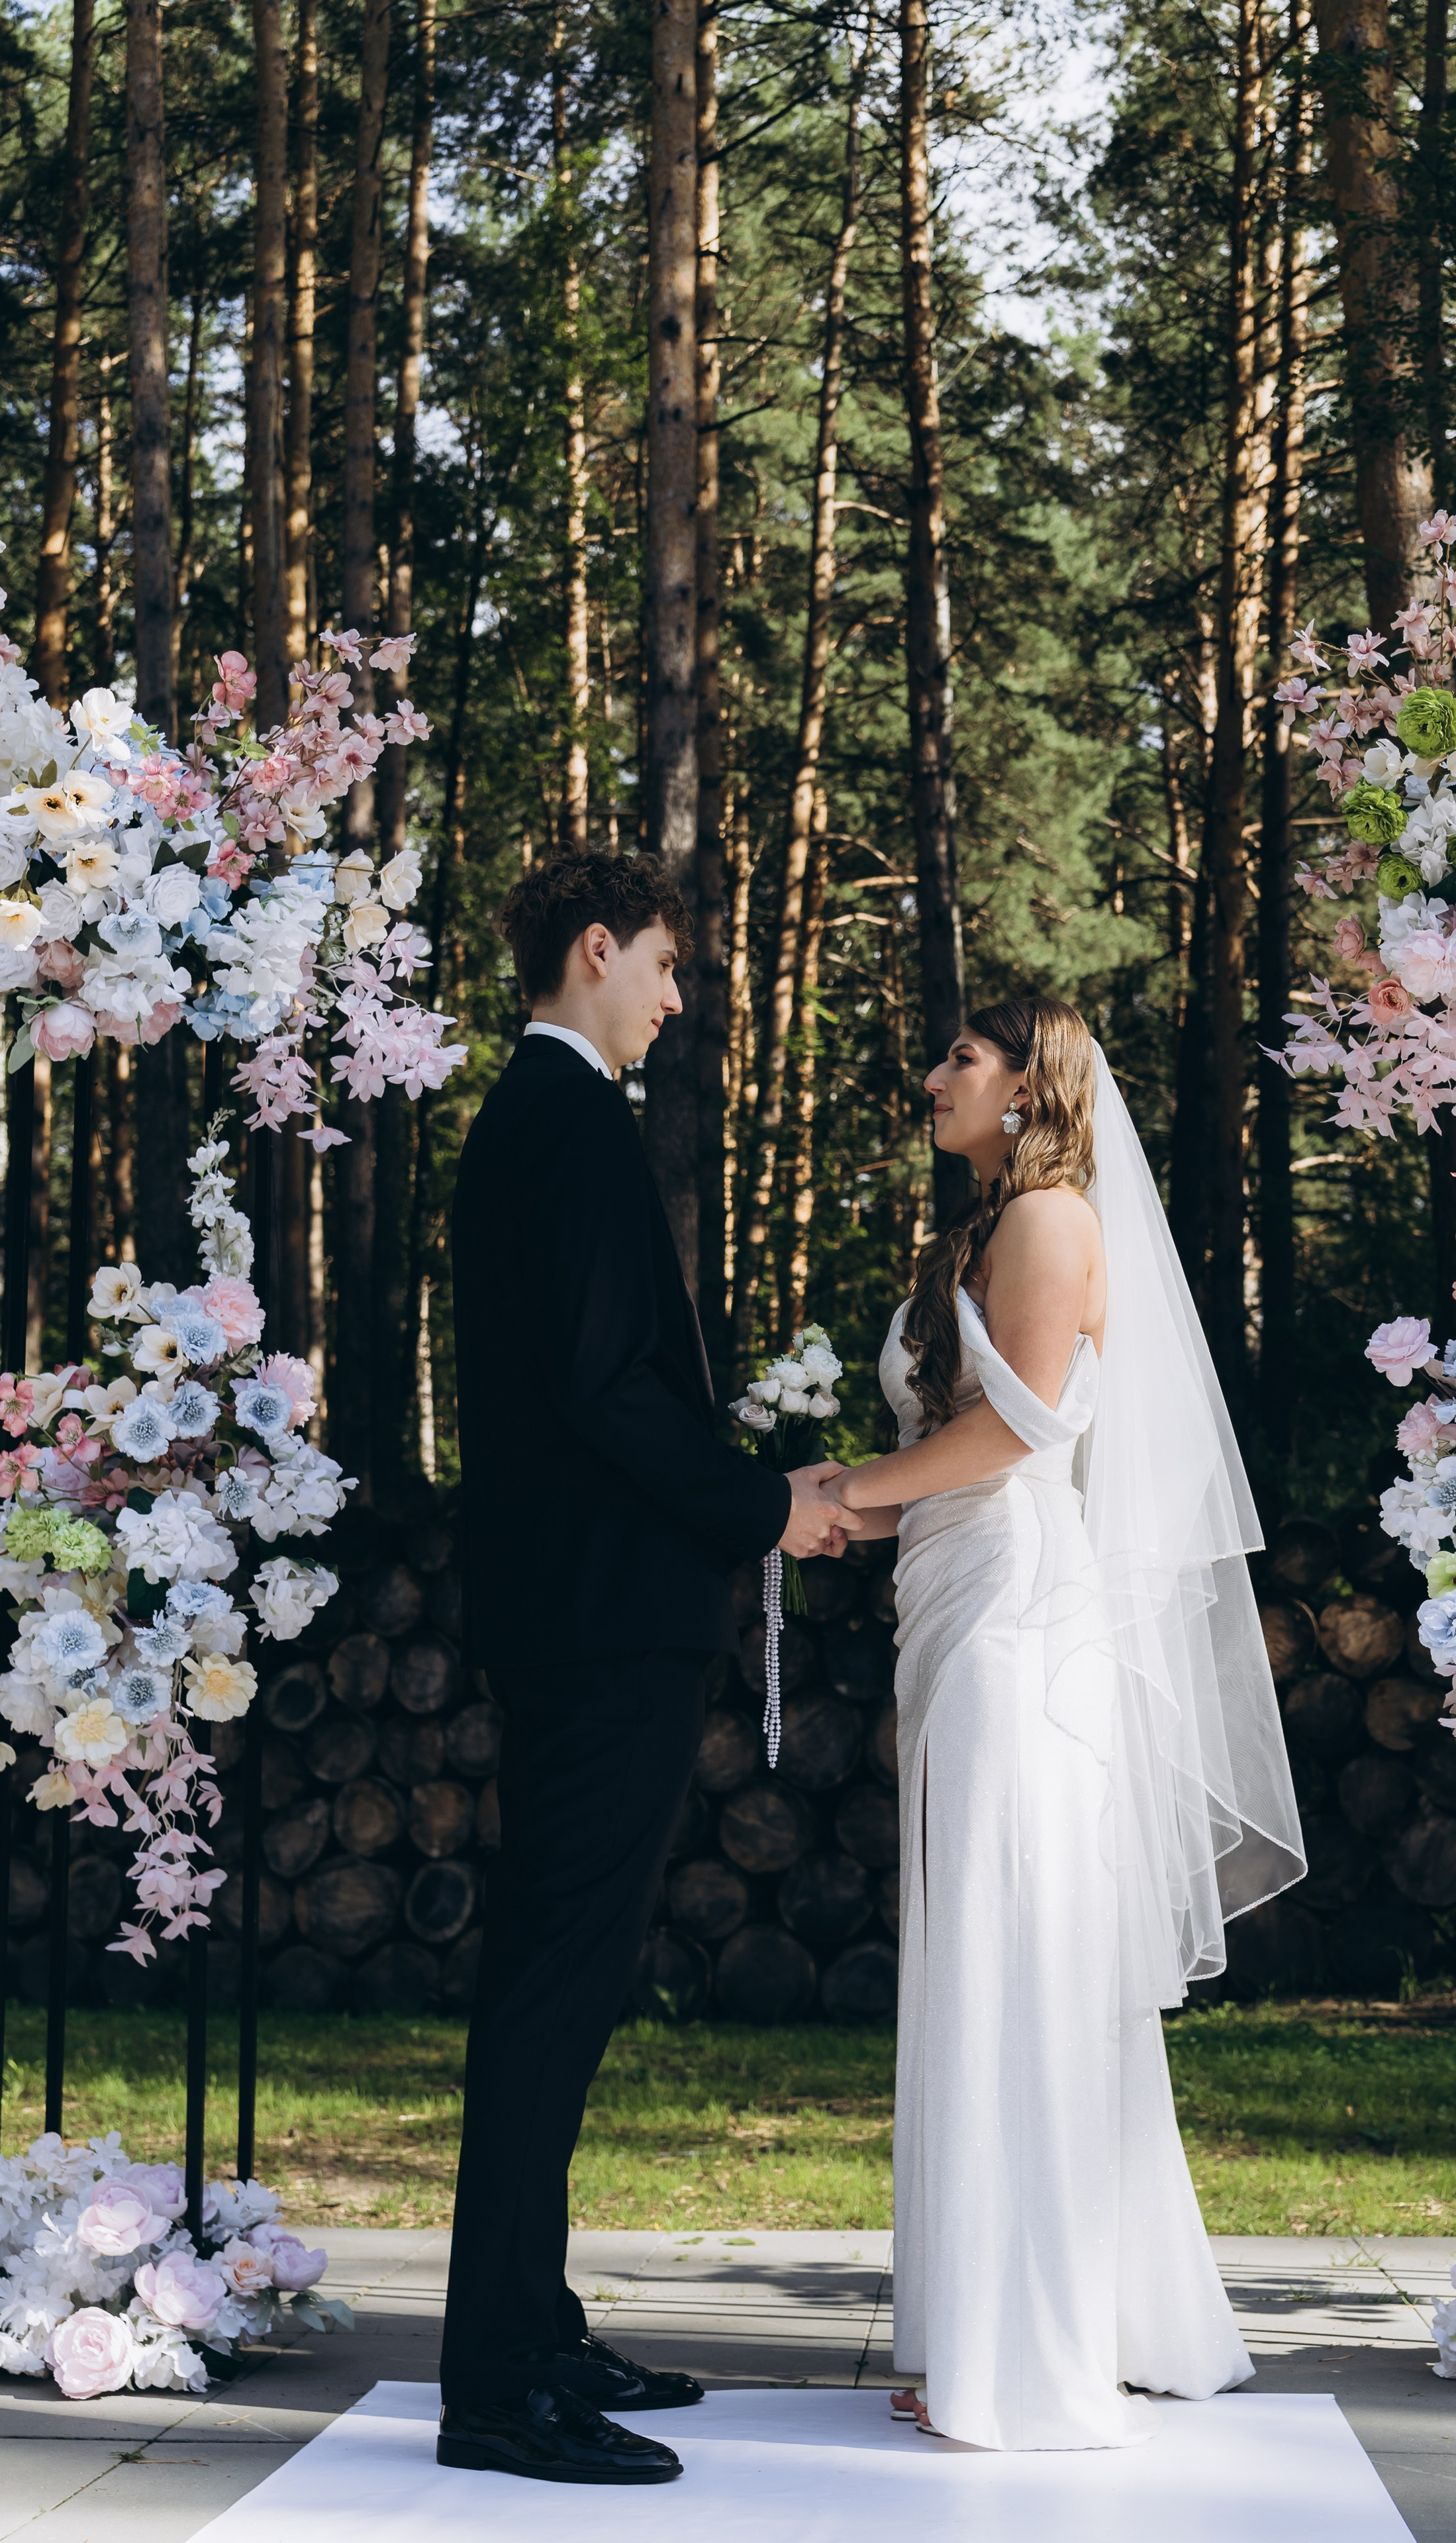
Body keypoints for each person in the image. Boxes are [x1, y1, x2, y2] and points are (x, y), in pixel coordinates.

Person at [818, 996, 1305, 2452]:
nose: (929, 1076)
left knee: (1009, 1951)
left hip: (1017, 1622)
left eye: (957, 1059)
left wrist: (844, 1489)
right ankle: (996, 2316)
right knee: (980, 1951)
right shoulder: (973, 1232)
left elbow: (1021, 1425)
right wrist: (877, 1497)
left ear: (1029, 1089)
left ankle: (1020, 2352)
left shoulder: (1045, 1225)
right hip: (954, 1607)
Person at [438, 853, 844, 2487]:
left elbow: (594, 1387)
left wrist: (756, 1497)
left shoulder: (528, 1122)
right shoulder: (576, 1126)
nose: (676, 1002)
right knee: (553, 1984)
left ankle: (529, 2326)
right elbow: (609, 1391)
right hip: (601, 1618)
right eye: (665, 967)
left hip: (575, 1607)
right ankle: (497, 2386)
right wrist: (764, 1507)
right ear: (594, 953)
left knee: (564, 1977)